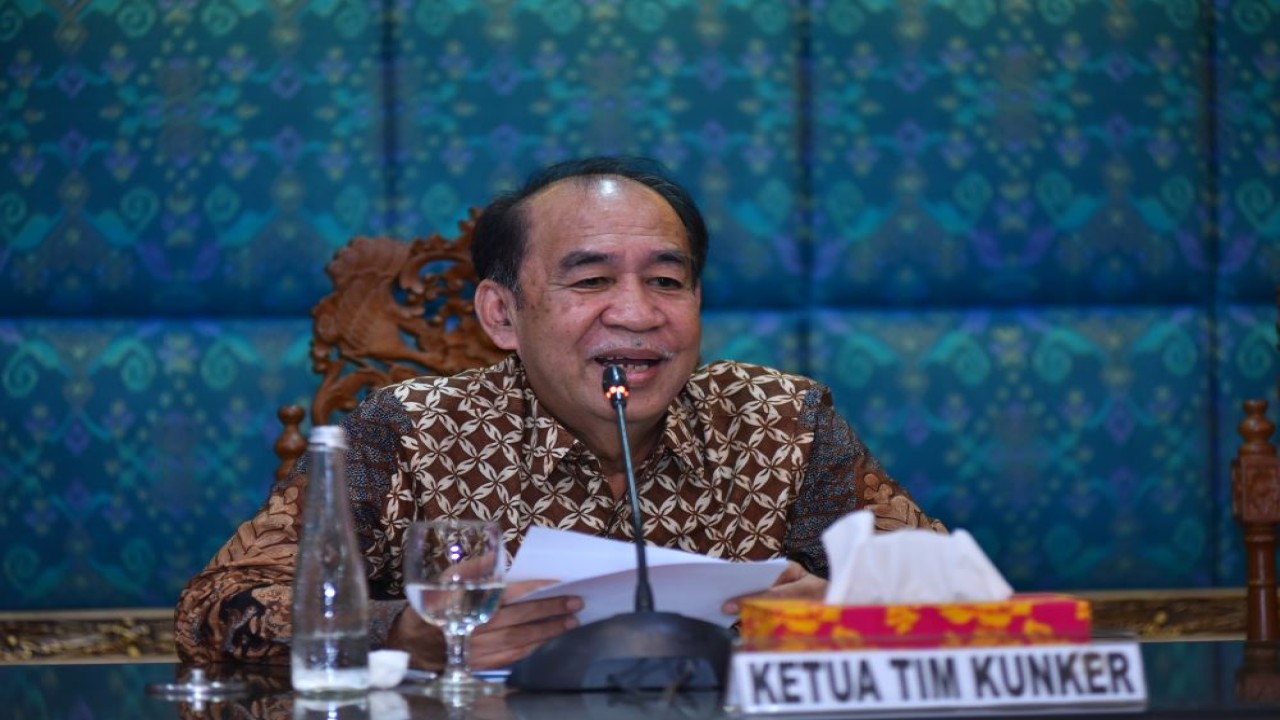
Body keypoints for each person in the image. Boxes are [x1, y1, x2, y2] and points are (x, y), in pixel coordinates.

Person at [174, 155, 945, 669]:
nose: (638, 314)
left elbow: (950, 592)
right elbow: (215, 610)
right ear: (502, 314)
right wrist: (405, 636)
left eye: (668, 281)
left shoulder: (782, 420)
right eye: (591, 281)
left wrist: (848, 611)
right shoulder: (406, 429)